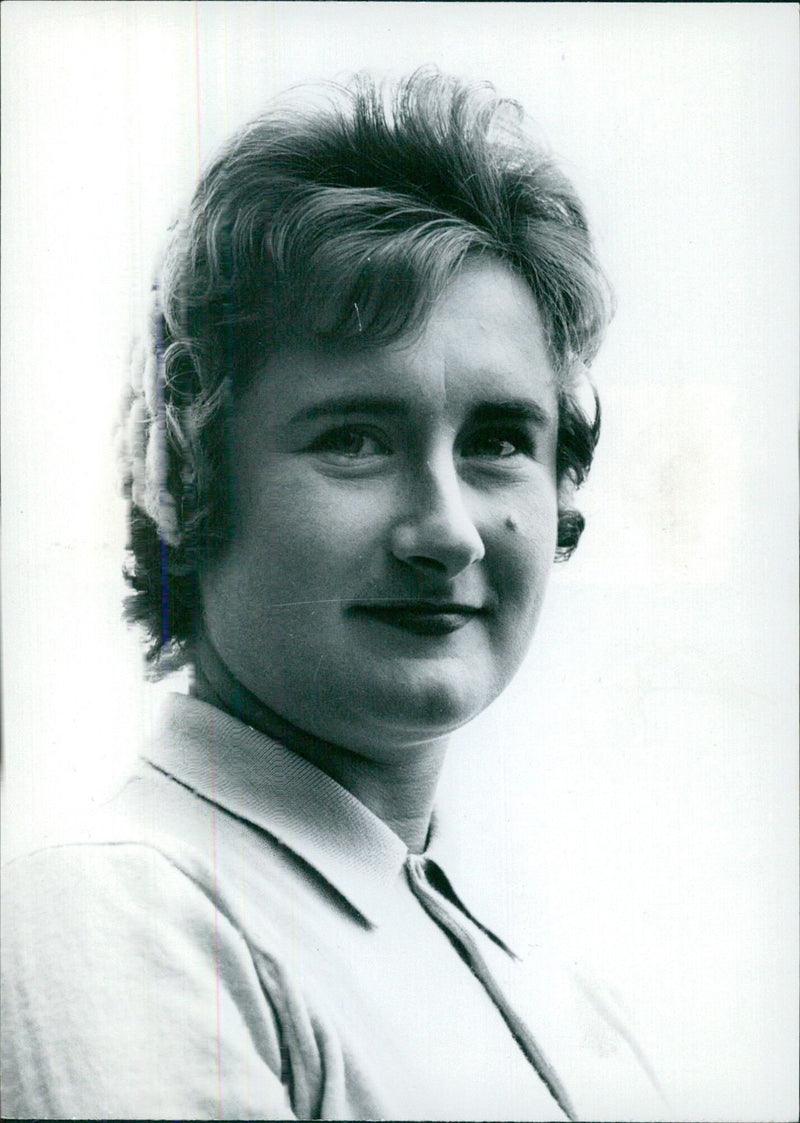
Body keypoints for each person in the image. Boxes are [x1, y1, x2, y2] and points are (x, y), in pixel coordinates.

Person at [1, 70, 667, 1120]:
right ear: (182, 476)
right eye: (352, 439)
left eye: (497, 441)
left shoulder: (554, 984)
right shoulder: (118, 910)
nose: (444, 530)